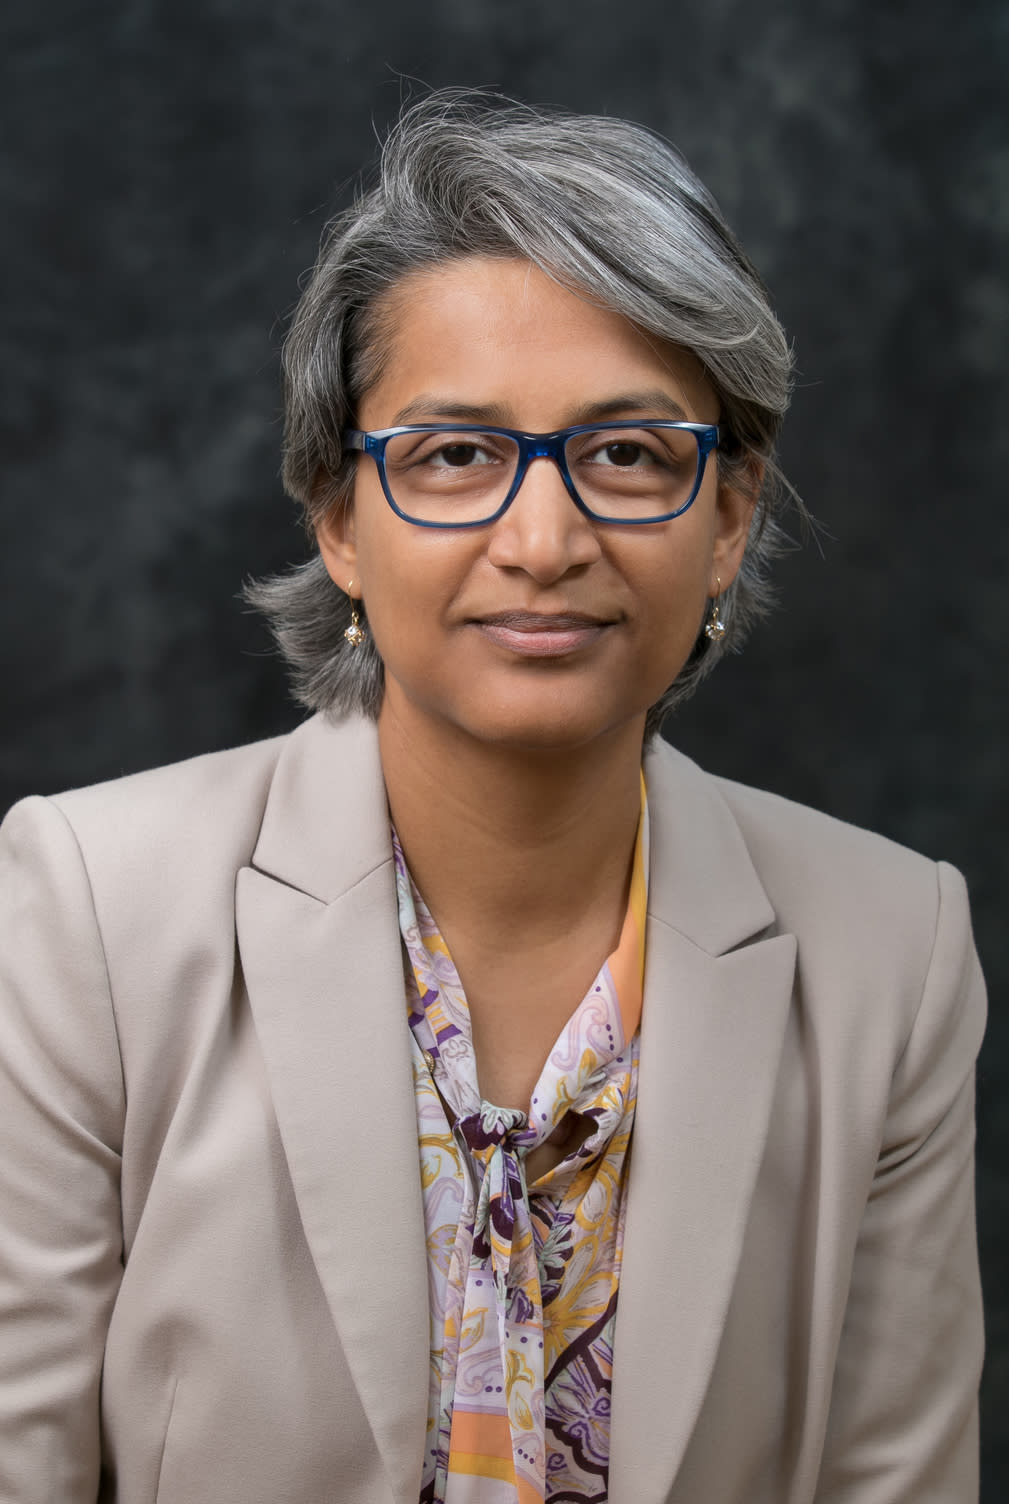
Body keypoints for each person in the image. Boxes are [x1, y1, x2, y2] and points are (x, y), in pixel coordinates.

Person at [0, 92, 985, 1504]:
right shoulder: (89, 908)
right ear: (337, 518)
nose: (543, 540)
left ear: (727, 517)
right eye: (456, 454)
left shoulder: (890, 949)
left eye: (626, 453)